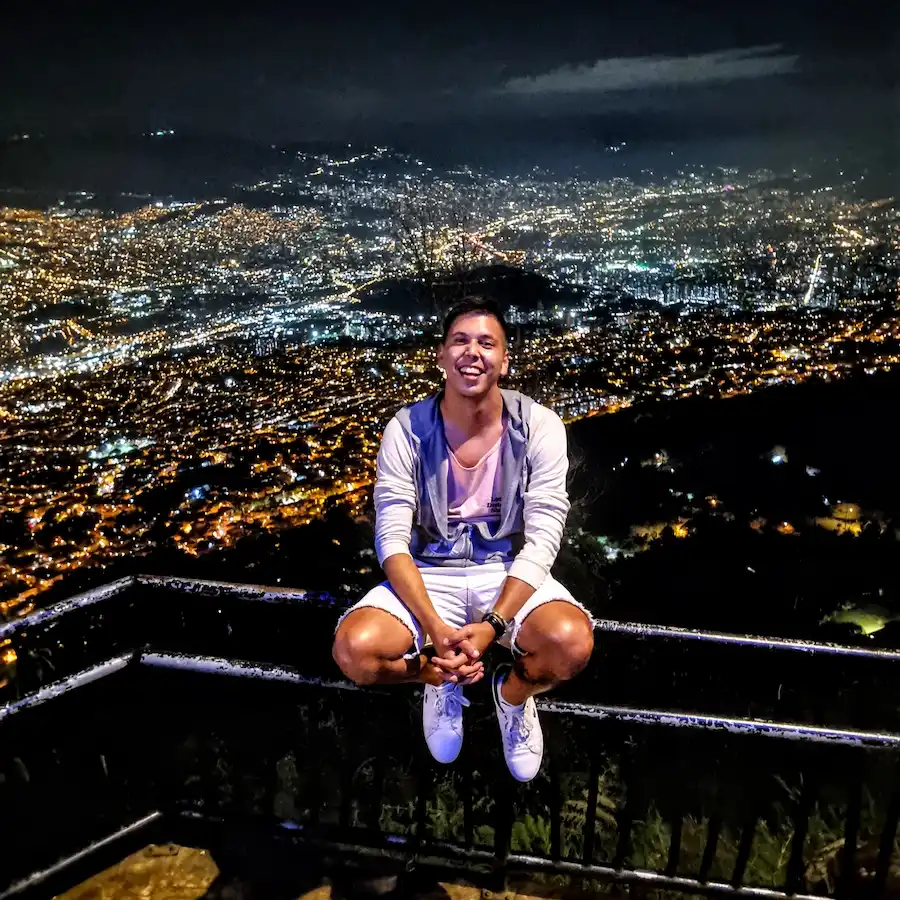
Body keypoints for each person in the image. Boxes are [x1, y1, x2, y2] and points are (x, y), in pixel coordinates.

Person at [332, 296, 594, 782]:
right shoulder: (407, 430)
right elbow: (391, 538)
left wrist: (494, 623)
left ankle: (512, 695)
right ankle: (439, 679)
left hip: (509, 570)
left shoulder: (538, 427)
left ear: (505, 360)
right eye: (460, 340)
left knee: (571, 644)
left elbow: (542, 539)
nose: (472, 352)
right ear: (440, 356)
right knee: (355, 651)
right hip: (429, 572)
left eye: (486, 343)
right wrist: (433, 630)